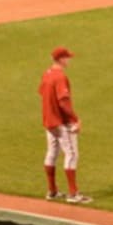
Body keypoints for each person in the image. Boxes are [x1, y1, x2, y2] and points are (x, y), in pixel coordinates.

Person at [38, 46, 88, 203]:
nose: (69, 60)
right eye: (67, 57)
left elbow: (41, 92)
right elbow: (63, 102)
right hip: (61, 122)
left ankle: (52, 191)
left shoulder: (47, 74)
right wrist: (75, 119)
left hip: (49, 121)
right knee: (71, 154)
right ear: (60, 59)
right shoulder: (60, 77)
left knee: (52, 153)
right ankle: (73, 194)